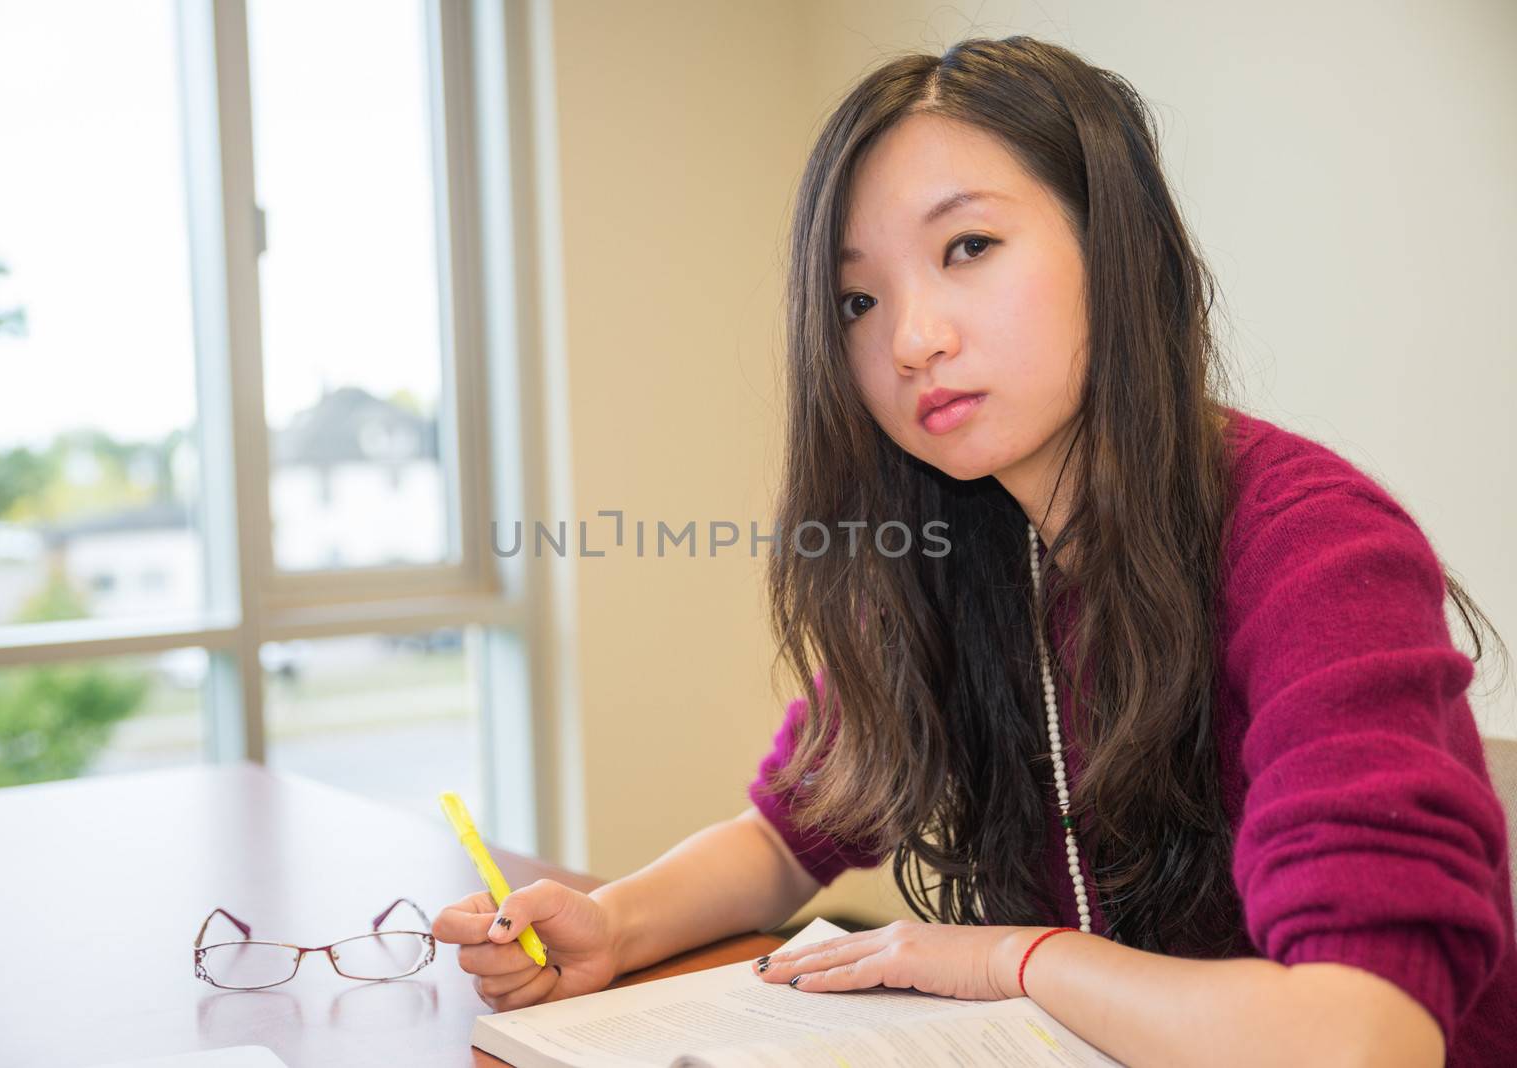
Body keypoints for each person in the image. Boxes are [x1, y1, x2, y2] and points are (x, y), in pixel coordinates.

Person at [432, 35, 1515, 1067]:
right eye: (858, 299)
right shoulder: (955, 547)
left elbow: (1363, 1036)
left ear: (1113, 245)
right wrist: (610, 926)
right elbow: (785, 837)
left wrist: (1014, 955)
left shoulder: (1312, 548)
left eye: (968, 248)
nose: (910, 340)